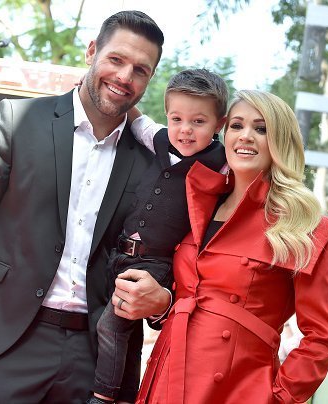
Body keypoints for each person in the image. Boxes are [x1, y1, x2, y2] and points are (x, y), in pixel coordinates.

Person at [0, 10, 172, 404]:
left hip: (95, 362)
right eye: (116, 59)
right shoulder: (17, 120)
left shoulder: (151, 161)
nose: (126, 77)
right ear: (92, 51)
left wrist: (162, 301)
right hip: (1, 345)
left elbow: (161, 255)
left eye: (141, 70)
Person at [136, 90, 328, 403]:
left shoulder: (306, 227)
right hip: (168, 373)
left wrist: (278, 397)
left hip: (238, 389)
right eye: (237, 126)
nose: (246, 136)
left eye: (261, 129)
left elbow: (322, 338)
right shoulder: (196, 203)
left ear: (281, 141)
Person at [90, 69, 228, 403]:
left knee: (111, 325)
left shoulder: (222, 164)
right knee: (125, 332)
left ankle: (102, 397)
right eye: (177, 118)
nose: (185, 130)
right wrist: (90, 80)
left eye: (198, 122)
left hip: (155, 263)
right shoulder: (161, 138)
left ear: (218, 125)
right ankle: (125, 396)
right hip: (120, 253)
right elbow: (136, 118)